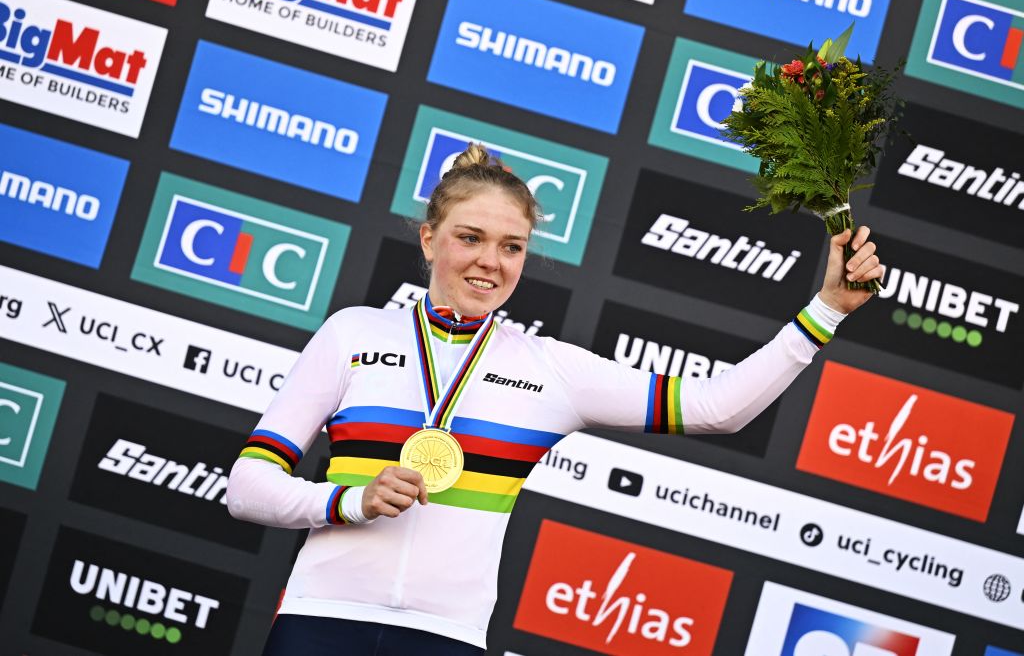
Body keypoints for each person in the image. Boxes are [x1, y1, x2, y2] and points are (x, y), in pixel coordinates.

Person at [226, 144, 884, 655]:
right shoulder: (354, 334)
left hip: (447, 638)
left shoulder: (548, 369)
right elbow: (248, 488)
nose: (491, 262)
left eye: (512, 246)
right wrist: (350, 500)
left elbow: (718, 408)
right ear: (429, 239)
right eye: (471, 237)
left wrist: (826, 311)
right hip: (320, 622)